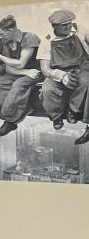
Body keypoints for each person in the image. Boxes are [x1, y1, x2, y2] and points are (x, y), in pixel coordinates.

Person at [37, 8, 89, 142]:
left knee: (85, 82)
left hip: (80, 68)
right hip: (57, 71)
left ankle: (73, 110)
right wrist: (62, 76)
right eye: (64, 25)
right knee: (47, 90)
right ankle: (56, 116)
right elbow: (45, 69)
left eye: (69, 23)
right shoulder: (47, 41)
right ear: (54, 26)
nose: (68, 27)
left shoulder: (79, 30)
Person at [0, 14, 41, 137]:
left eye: (1, 34)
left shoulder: (29, 38)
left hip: (36, 72)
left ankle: (9, 121)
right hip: (23, 72)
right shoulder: (7, 43)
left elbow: (21, 63)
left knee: (18, 85)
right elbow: (8, 67)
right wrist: (24, 72)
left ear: (11, 31)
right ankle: (25, 109)